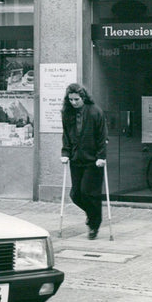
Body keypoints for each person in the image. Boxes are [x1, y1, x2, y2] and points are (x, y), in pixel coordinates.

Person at [60, 83, 107, 240]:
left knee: (88, 192)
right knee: (75, 194)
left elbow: (102, 136)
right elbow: (66, 135)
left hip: (93, 160)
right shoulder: (67, 113)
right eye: (71, 100)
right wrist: (65, 152)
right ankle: (92, 214)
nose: (73, 103)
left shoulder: (95, 112)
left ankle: (94, 224)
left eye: (76, 99)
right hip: (76, 158)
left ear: (83, 98)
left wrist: (101, 157)